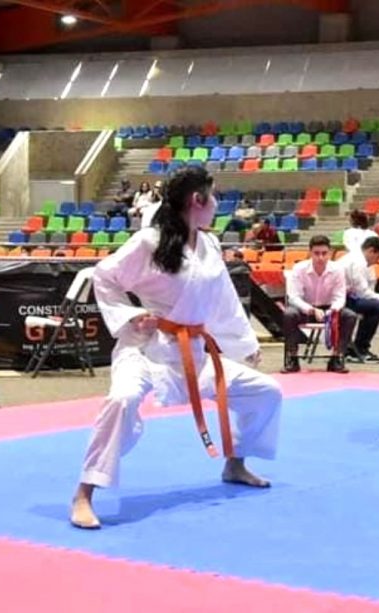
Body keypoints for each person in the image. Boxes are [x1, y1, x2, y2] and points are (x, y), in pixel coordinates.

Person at [69, 167, 281, 530]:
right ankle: (84, 493)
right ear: (196, 200)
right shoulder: (149, 241)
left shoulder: (209, 243)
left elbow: (225, 300)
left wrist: (243, 344)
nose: (216, 204)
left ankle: (236, 462)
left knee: (266, 392)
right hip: (148, 350)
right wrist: (133, 314)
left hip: (195, 353)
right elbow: (103, 276)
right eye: (213, 197)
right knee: (122, 401)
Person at [281, 234, 356, 373]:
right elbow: (294, 297)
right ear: (310, 252)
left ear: (330, 253)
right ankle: (292, 357)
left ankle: (337, 357)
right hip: (305, 308)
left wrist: (332, 311)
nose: (320, 257)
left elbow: (340, 297)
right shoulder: (299, 268)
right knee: (288, 314)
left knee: (350, 316)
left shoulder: (338, 269)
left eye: (324, 253)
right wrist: (310, 309)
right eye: (316, 253)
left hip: (329, 308)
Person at [341, 235, 379, 363]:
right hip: (340, 299)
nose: (377, 261)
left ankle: (354, 348)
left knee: (373, 305)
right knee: (376, 308)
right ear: (371, 250)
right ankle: (360, 348)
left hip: (346, 296)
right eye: (377, 257)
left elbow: (366, 289)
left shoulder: (358, 259)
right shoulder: (358, 262)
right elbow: (362, 293)